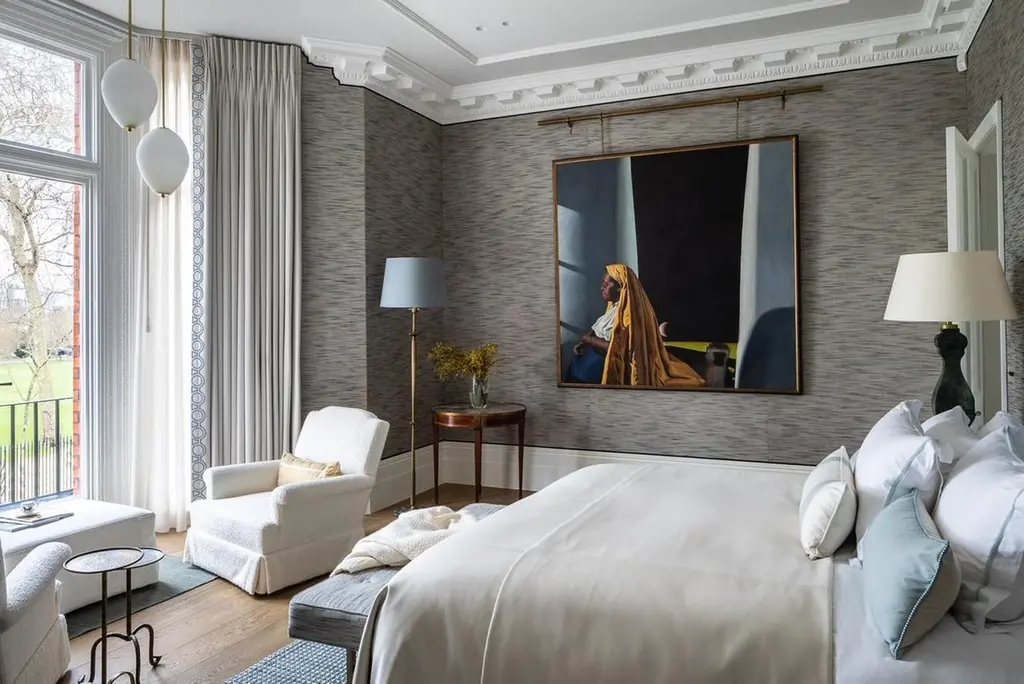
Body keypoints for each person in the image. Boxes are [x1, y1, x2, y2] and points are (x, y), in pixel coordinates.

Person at [568, 264, 705, 388]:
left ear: (621, 287)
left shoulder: (629, 317)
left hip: (601, 365)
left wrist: (589, 340)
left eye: (606, 284)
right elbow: (598, 329)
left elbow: (619, 349)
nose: (601, 287)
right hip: (588, 360)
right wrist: (583, 344)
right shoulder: (612, 310)